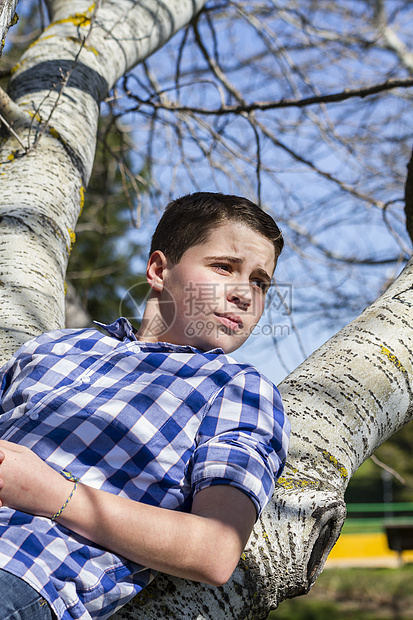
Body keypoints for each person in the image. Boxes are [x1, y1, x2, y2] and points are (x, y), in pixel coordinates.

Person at [0, 192, 290, 620]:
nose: (245, 295)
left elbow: (215, 549)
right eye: (224, 267)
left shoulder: (237, 389)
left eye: (260, 282)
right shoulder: (53, 348)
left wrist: (50, 492)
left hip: (21, 573)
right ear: (158, 270)